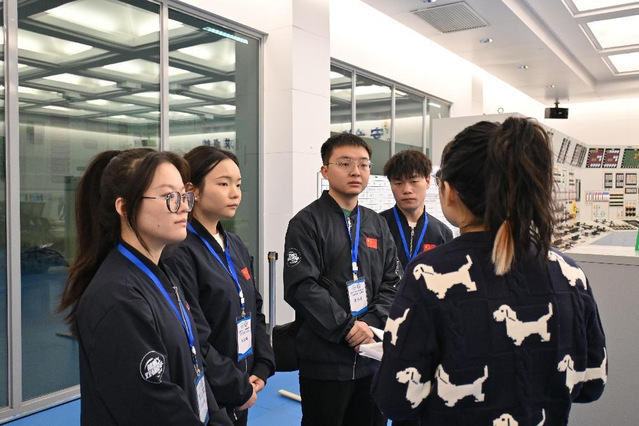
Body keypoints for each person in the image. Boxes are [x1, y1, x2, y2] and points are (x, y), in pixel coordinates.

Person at [372, 117, 607, 425]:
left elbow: (396, 400)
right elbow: (591, 383)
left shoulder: (427, 275)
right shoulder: (569, 274)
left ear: (448, 191)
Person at [58, 148, 232, 425]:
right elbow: (155, 408)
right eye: (169, 197)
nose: (184, 207)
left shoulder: (162, 272)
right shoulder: (119, 298)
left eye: (183, 196)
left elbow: (192, 363)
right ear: (124, 207)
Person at [283, 133, 401, 426]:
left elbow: (393, 281)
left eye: (363, 164)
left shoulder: (377, 223)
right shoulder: (306, 223)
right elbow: (301, 287)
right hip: (325, 360)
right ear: (325, 171)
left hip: (372, 357)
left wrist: (370, 324)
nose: (355, 171)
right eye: (345, 163)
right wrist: (347, 327)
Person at [163, 146, 275, 425]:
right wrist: (236, 386)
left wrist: (262, 363)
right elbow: (193, 336)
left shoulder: (234, 244)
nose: (235, 193)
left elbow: (253, 307)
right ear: (193, 191)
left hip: (243, 380)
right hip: (212, 390)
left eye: (238, 184)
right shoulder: (180, 252)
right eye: (224, 184)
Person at [380, 149, 453, 271]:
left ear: (428, 181)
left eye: (414, 181)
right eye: (398, 183)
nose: (407, 190)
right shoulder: (376, 226)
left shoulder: (442, 233)